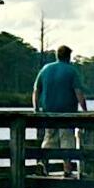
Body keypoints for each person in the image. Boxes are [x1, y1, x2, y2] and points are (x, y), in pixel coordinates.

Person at [31, 43, 82, 172]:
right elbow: (78, 92)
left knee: (49, 139)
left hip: (49, 112)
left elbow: (36, 91)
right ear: (68, 56)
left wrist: (36, 109)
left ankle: (43, 164)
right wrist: (84, 109)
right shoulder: (71, 71)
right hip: (67, 113)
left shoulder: (45, 69)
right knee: (67, 140)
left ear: (57, 55)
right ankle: (67, 169)